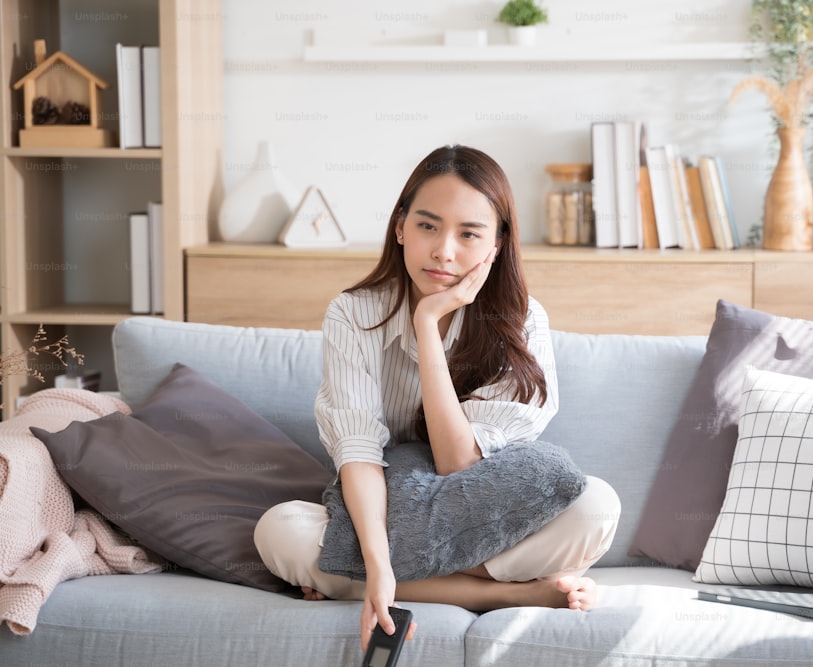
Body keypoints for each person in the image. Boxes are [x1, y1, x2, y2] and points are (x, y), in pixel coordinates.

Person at [254, 144, 621, 650]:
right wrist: (379, 568)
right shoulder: (353, 314)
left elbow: (459, 466)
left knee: (596, 506)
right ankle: (509, 595)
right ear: (401, 226)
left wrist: (427, 325)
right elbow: (359, 452)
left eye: (469, 234)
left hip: (480, 506)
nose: (444, 250)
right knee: (278, 532)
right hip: (385, 509)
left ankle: (351, 580)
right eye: (428, 226)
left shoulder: (522, 320)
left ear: (496, 244)